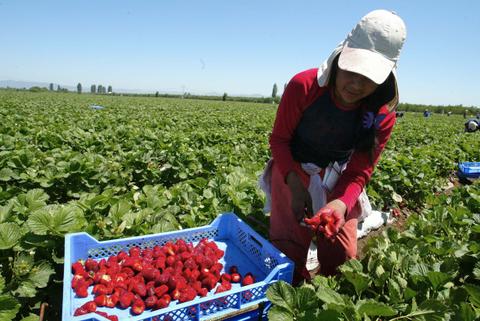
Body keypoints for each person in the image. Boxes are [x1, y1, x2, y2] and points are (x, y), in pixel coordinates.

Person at [260, 9, 407, 284]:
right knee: (288, 249)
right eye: (352, 70)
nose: (356, 84)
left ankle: (332, 298)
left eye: (370, 78)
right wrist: (294, 184)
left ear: (384, 79)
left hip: (338, 175)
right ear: (339, 58)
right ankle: (292, 289)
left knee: (342, 255)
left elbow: (360, 171)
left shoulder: (381, 116)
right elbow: (279, 140)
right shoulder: (304, 86)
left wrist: (340, 204)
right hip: (292, 165)